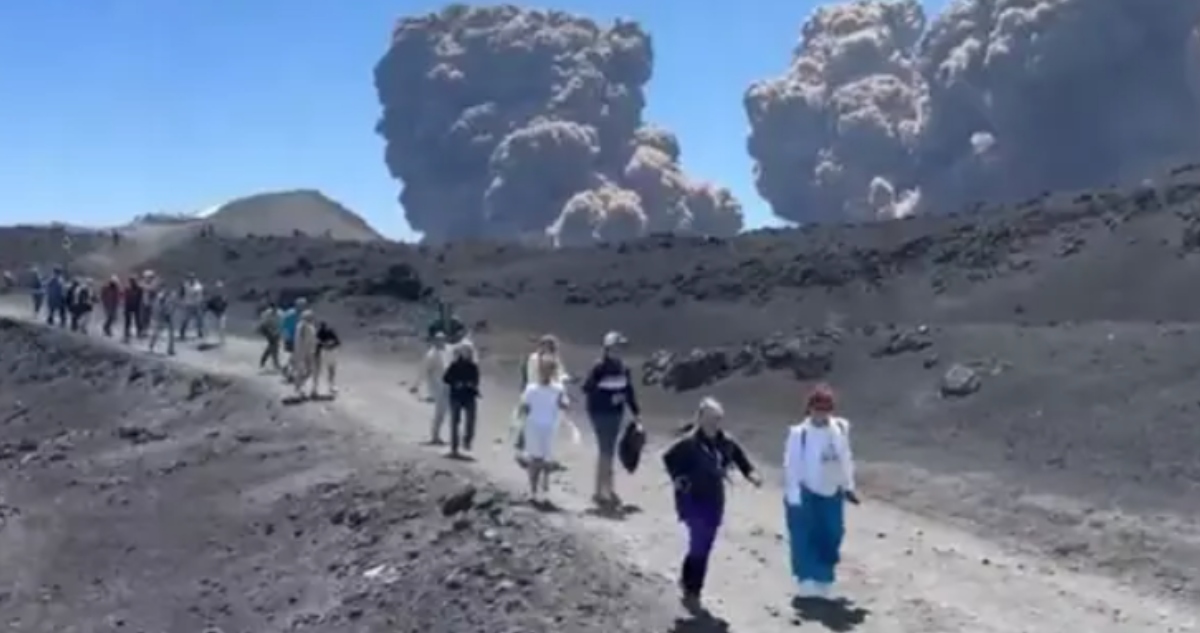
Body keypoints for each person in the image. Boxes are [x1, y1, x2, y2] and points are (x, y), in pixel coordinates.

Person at [663, 397, 761, 609]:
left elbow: (742, 461)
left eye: (717, 419)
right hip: (692, 500)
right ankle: (694, 590)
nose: (713, 423)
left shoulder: (726, 442)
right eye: (708, 419)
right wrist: (678, 478)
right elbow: (668, 459)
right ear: (700, 418)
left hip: (715, 500)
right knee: (699, 541)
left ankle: (687, 578)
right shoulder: (689, 443)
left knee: (704, 545)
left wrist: (752, 475)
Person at [783, 384, 860, 600]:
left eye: (826, 409)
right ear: (810, 409)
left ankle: (824, 578)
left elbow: (846, 458)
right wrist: (794, 497)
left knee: (832, 533)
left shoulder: (840, 429)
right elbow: (792, 465)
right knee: (804, 536)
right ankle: (806, 579)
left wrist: (848, 486)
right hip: (806, 491)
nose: (822, 413)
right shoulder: (800, 434)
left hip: (832, 491)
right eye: (818, 408)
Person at [581, 330, 640, 507]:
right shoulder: (599, 368)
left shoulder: (624, 369)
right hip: (600, 413)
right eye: (616, 347)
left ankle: (605, 489)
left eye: (621, 348)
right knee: (606, 450)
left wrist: (637, 413)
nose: (619, 351)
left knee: (608, 451)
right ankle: (602, 491)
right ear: (608, 349)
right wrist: (608, 396)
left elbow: (629, 392)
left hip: (616, 414)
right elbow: (587, 388)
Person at [517, 355, 571, 502]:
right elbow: (524, 407)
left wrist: (563, 404)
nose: (546, 373)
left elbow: (564, 403)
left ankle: (544, 489)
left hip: (549, 428)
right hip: (533, 426)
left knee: (547, 460)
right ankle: (533, 490)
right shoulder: (531, 389)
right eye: (544, 369)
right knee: (535, 460)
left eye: (550, 370)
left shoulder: (557, 389)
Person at [442, 341, 481, 458]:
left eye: (469, 351)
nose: (467, 353)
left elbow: (476, 380)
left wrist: (471, 384)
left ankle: (467, 441)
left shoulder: (473, 366)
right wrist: (456, 383)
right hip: (456, 396)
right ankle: (454, 448)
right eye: (465, 351)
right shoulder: (454, 365)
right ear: (460, 352)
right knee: (455, 422)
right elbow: (445, 378)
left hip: (469, 396)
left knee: (471, 421)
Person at [413, 332, 452, 445]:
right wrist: (416, 385)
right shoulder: (431, 355)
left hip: (449, 385)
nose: (441, 341)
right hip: (438, 387)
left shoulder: (448, 351)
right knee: (440, 412)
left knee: (448, 412)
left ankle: (448, 436)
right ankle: (435, 436)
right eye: (438, 339)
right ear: (434, 341)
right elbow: (423, 371)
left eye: (443, 339)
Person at [291, 309, 319, 398]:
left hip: (308, 351)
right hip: (302, 352)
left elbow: (312, 339)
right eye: (310, 316)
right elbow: (301, 340)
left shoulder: (310, 326)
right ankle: (299, 389)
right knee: (302, 371)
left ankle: (300, 387)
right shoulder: (303, 326)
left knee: (309, 370)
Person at [148, 284, 179, 356]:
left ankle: (170, 349)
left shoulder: (167, 298)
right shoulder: (160, 298)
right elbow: (157, 309)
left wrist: (169, 314)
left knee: (170, 334)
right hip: (160, 318)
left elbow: (172, 306)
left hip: (165, 318)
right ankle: (151, 346)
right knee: (156, 333)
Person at [280, 297, 306, 379]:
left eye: (303, 305)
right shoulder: (290, 314)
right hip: (291, 338)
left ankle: (288, 369)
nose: (302, 307)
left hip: (300, 338)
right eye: (301, 305)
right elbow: (283, 325)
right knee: (295, 355)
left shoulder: (304, 315)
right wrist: (285, 335)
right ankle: (290, 372)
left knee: (297, 356)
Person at [313, 320, 341, 397]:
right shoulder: (329, 332)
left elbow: (317, 346)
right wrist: (330, 345)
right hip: (329, 353)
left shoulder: (319, 333)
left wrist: (324, 346)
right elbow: (338, 342)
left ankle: (318, 388)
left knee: (325, 370)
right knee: (330, 370)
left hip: (325, 353)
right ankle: (330, 386)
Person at [178, 274, 205, 341]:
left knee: (199, 319)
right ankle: (182, 333)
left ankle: (200, 332)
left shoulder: (198, 286)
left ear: (194, 279)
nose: (191, 279)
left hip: (196, 305)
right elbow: (181, 293)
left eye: (192, 278)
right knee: (185, 320)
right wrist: (181, 300)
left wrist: (200, 303)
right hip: (188, 305)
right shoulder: (185, 285)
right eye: (190, 278)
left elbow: (200, 296)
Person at [257, 303, 283, 372]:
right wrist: (271, 332)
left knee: (273, 346)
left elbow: (281, 324)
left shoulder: (280, 314)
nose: (274, 310)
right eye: (273, 308)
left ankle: (264, 361)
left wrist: (276, 332)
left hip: (276, 330)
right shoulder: (267, 313)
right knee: (273, 345)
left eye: (276, 308)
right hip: (267, 329)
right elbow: (263, 324)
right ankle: (275, 363)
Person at [122, 275, 144, 343]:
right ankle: (127, 333)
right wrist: (124, 308)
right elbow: (125, 299)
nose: (132, 282)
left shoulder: (139, 289)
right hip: (128, 307)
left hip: (136, 306)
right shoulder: (127, 289)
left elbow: (141, 298)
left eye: (133, 281)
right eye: (131, 281)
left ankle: (139, 332)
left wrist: (140, 306)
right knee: (128, 321)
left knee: (137, 321)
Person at [205, 280, 228, 346]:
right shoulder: (213, 298)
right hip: (213, 313)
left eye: (220, 288)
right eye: (217, 288)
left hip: (220, 313)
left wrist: (220, 313)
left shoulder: (224, 298)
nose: (219, 290)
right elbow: (209, 306)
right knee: (208, 325)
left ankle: (222, 340)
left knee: (222, 327)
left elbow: (225, 306)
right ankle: (207, 338)